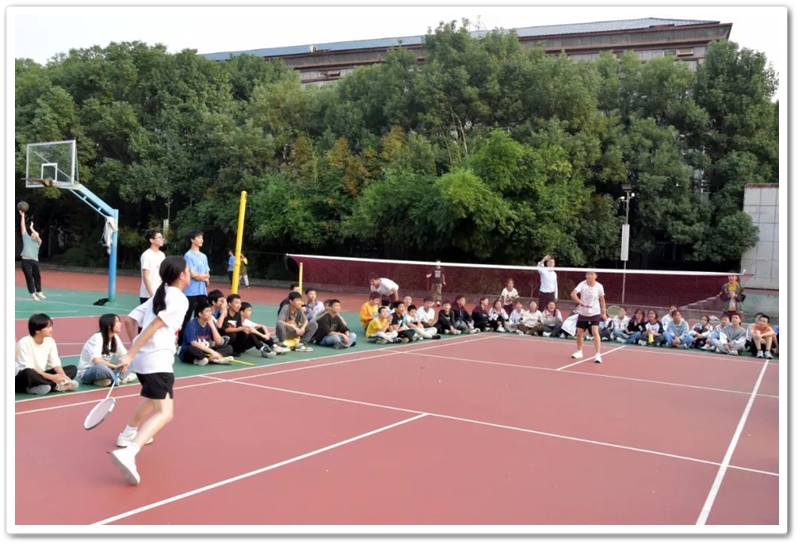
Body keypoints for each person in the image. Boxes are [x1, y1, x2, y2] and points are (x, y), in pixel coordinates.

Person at [108, 256, 191, 486]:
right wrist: (130, 353)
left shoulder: (159, 295)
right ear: (181, 275)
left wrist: (135, 351)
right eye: (188, 270)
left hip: (145, 362)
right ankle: (130, 452)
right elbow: (155, 325)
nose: (190, 273)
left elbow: (129, 321)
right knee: (165, 412)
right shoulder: (179, 298)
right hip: (157, 360)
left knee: (153, 400)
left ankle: (128, 434)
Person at [15, 313, 79, 395]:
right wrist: (52, 377)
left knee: (72, 369)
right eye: (48, 327)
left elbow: (55, 363)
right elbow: (26, 368)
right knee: (28, 373)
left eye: (51, 326)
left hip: (41, 374)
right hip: (23, 377)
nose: (51, 329)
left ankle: (43, 386)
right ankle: (54, 386)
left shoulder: (50, 341)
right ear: (37, 330)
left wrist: (64, 377)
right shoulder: (24, 343)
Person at [77, 314, 137, 386]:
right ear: (109, 325)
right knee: (100, 368)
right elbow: (97, 361)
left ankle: (106, 380)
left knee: (133, 359)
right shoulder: (97, 337)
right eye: (117, 322)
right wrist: (115, 367)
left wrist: (125, 365)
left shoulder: (115, 337)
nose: (120, 324)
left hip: (107, 369)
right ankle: (118, 379)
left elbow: (124, 355)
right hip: (88, 371)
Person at [178, 299, 235, 365]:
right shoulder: (192, 324)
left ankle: (210, 359)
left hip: (206, 349)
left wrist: (212, 326)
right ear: (200, 314)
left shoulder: (210, 322)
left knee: (229, 347)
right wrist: (212, 352)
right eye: (207, 311)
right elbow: (194, 343)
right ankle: (215, 359)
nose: (210, 313)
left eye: (210, 311)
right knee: (191, 349)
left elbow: (218, 342)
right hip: (195, 349)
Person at [179, 230, 210, 344]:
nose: (201, 240)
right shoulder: (188, 255)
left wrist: (201, 277)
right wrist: (203, 277)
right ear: (192, 240)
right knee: (187, 318)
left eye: (202, 237)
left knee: (201, 317)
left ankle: (199, 340)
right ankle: (181, 342)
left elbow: (207, 274)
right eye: (199, 237)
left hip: (202, 291)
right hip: (190, 292)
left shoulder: (204, 256)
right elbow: (192, 274)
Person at [570, 271, 607, 364]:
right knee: (579, 333)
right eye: (587, 274)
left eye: (591, 274)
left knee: (595, 332)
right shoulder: (582, 284)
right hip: (583, 313)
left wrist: (604, 312)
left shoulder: (599, 286)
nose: (589, 276)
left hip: (595, 312)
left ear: (595, 276)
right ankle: (579, 351)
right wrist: (581, 302)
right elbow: (573, 294)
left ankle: (598, 355)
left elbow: (602, 300)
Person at [19, 209, 45, 301]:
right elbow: (22, 227)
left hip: (34, 261)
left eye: (36, 233)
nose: (34, 234)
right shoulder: (26, 238)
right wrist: (22, 216)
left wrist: (31, 228)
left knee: (37, 276)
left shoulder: (38, 242)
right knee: (29, 277)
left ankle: (39, 291)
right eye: (33, 233)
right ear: (31, 235)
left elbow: (37, 236)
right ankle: (32, 293)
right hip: (25, 261)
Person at [139, 229, 166, 304]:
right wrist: (152, 294)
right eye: (159, 237)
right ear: (151, 240)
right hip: (148, 295)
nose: (162, 240)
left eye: (162, 237)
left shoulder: (162, 255)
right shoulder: (147, 255)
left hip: (160, 293)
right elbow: (146, 276)